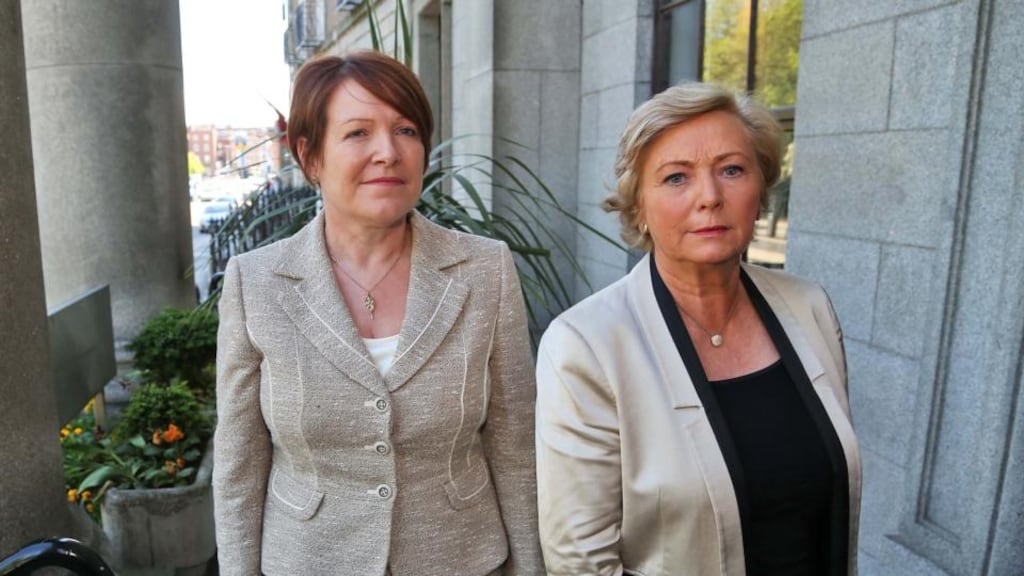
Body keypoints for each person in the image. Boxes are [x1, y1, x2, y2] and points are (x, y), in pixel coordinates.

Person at [214, 51, 544, 576]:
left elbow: (513, 443)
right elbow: (239, 464)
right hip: (308, 560)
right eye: (358, 133)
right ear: (311, 155)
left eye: (406, 130)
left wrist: (532, 569)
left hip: (460, 557)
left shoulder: (484, 270)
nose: (388, 152)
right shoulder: (256, 282)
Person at [535, 83, 861, 576]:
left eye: (732, 170)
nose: (709, 197)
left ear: (761, 188)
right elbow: (580, 561)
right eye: (676, 178)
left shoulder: (809, 307)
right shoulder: (587, 346)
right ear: (638, 204)